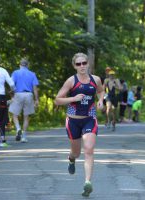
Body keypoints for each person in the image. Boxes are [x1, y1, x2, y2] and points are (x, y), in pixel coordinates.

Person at [54, 53, 104, 197]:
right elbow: (57, 100)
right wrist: (73, 98)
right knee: (76, 152)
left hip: (90, 118)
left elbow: (100, 91)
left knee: (89, 149)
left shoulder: (96, 80)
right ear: (74, 66)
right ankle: (71, 159)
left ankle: (87, 182)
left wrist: (101, 101)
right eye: (78, 64)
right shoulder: (71, 81)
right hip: (73, 120)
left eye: (84, 63)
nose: (82, 66)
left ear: (88, 64)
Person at [9, 58, 39, 143]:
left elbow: (12, 85)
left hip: (18, 94)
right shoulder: (32, 74)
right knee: (26, 116)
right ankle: (24, 136)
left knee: (14, 114)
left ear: (20, 65)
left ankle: (18, 128)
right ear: (28, 65)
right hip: (29, 95)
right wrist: (36, 100)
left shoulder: (15, 73)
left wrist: (12, 95)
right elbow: (35, 88)